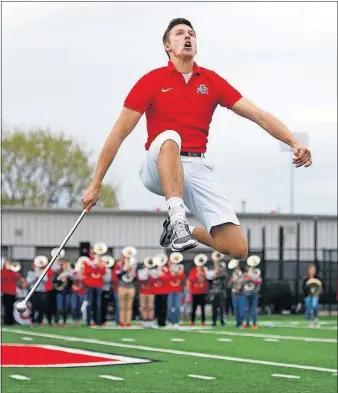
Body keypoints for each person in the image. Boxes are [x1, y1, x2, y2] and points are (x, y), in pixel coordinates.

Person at [82, 18, 312, 257]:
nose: (187, 37)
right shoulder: (152, 80)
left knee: (237, 248)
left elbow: (260, 116)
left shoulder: (211, 81)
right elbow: (118, 133)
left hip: (196, 166)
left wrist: (294, 142)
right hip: (156, 164)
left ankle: (182, 229)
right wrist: (95, 185)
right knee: (171, 137)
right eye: (180, 34)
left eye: (191, 33)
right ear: (167, 46)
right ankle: (177, 216)